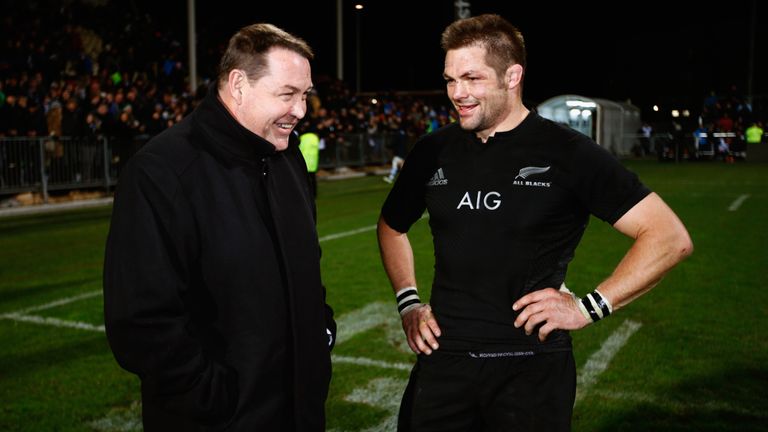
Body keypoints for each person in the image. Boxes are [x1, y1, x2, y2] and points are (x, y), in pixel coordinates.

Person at [377, 14, 693, 432]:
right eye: (451, 79)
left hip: (531, 370)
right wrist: (409, 302)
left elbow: (668, 237)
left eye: (471, 78)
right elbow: (391, 226)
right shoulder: (432, 151)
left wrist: (587, 308)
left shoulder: (567, 151)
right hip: (444, 363)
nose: (457, 93)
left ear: (513, 75)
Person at [103, 23, 336, 431]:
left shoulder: (288, 159)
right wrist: (215, 399)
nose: (301, 110)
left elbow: (306, 265)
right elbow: (141, 322)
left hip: (300, 413)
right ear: (239, 84)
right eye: (287, 94)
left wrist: (320, 329)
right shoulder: (162, 171)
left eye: (305, 95)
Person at [299, 122, 321, 198]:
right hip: (313, 161)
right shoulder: (315, 138)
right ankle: (314, 193)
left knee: (303, 179)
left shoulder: (302, 137)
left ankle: (305, 193)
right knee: (313, 179)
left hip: (304, 160)